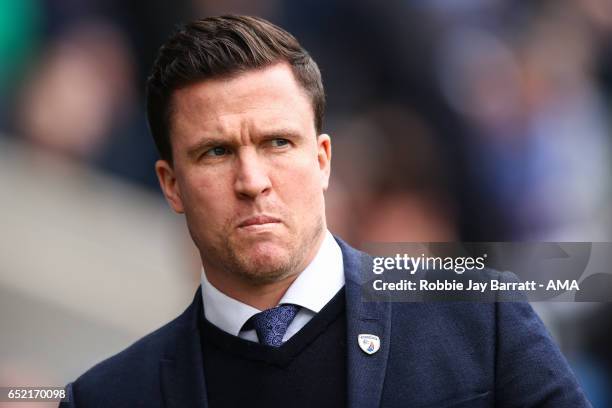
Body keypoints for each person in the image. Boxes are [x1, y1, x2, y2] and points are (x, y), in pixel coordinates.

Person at [61, 15, 591, 407]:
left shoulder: (480, 319)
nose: (252, 181)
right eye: (216, 152)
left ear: (322, 161)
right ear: (171, 185)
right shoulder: (106, 397)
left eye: (277, 143)